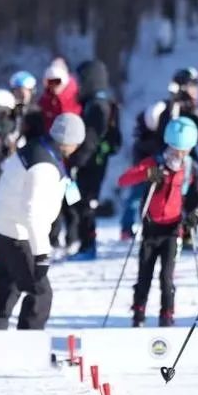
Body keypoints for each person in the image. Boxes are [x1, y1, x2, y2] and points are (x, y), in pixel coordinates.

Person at [0, 112, 85, 330]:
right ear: (69, 142)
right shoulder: (44, 167)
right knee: (40, 292)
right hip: (16, 231)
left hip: (2, 222)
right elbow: (33, 212)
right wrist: (41, 254)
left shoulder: (38, 146)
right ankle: (30, 342)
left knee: (9, 284)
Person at [117, 117, 198, 327]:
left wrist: (193, 216)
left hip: (173, 230)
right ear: (168, 144)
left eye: (184, 150)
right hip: (150, 228)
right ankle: (138, 314)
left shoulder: (190, 169)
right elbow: (123, 180)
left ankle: (167, 316)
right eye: (175, 149)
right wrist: (147, 174)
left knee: (166, 278)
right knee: (144, 274)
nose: (179, 155)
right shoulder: (154, 163)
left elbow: (196, 198)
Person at [66, 60, 118, 261]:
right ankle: (84, 244)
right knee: (81, 203)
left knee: (85, 204)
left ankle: (88, 246)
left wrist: (76, 161)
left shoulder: (97, 106)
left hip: (91, 163)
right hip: (91, 162)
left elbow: (91, 138)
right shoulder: (97, 102)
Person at [120, 100, 167, 240]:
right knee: (136, 197)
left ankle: (147, 226)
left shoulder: (159, 127)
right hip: (144, 168)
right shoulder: (145, 133)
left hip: (151, 167)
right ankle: (127, 228)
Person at [37, 59, 82, 129]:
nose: (53, 85)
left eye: (57, 81)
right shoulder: (46, 98)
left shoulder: (78, 97)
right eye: (50, 82)